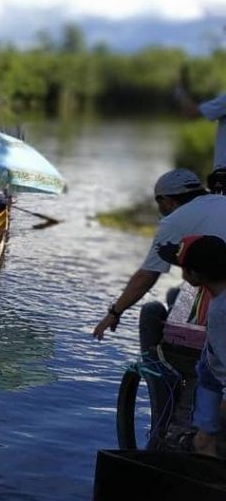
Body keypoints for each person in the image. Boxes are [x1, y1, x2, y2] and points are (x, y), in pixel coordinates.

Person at [92, 168, 226, 343]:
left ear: (167, 201)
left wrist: (114, 312)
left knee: (151, 310)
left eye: (159, 201)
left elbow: (146, 276)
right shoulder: (220, 200)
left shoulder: (173, 221)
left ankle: (155, 365)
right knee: (174, 294)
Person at [157, 235, 226, 457]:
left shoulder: (220, 311)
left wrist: (218, 416)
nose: (182, 275)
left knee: (205, 443)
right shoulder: (218, 298)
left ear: (195, 274)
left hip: (218, 382)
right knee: (204, 439)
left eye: (183, 270)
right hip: (211, 376)